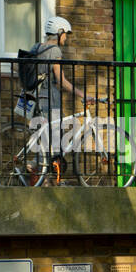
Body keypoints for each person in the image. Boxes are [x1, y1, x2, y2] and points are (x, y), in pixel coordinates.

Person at [31, 16, 100, 181]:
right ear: (59, 32)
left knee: (44, 139)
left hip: (35, 96)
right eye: (65, 34)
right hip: (49, 98)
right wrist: (83, 94)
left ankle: (44, 179)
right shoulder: (54, 51)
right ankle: (35, 166)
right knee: (54, 139)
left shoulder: (36, 47)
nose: (66, 37)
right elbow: (61, 80)